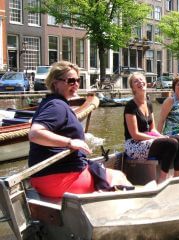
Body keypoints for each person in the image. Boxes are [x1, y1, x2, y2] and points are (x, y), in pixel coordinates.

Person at [28, 61, 132, 198]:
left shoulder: (50, 102)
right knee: (118, 176)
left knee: (103, 172)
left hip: (44, 178)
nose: (76, 84)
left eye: (78, 80)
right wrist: (70, 142)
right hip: (59, 179)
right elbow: (35, 134)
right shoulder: (57, 106)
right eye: (71, 81)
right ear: (55, 83)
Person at [124, 72, 179, 183]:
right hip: (134, 144)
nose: (140, 82)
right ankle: (162, 179)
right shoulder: (130, 106)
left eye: (141, 79)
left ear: (146, 82)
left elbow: (152, 129)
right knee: (172, 143)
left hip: (147, 140)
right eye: (136, 81)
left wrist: (162, 136)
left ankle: (178, 178)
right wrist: (157, 139)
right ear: (133, 87)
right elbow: (135, 134)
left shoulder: (148, 103)